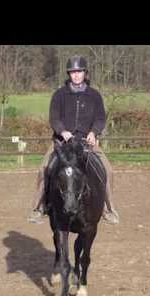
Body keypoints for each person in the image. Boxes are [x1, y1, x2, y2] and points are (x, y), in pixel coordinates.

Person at [27, 55, 119, 225]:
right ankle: (38, 208)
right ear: (69, 74)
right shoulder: (59, 95)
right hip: (63, 143)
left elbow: (100, 118)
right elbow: (54, 118)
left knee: (108, 170)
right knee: (44, 168)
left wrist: (94, 132)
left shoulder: (94, 96)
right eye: (73, 72)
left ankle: (109, 209)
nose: (76, 75)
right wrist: (62, 131)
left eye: (79, 71)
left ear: (85, 73)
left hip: (86, 142)